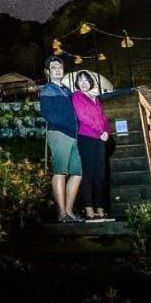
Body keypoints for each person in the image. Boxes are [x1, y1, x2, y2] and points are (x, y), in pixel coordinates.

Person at [38, 55, 83, 223]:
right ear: (48, 72)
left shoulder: (66, 90)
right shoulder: (47, 90)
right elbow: (48, 114)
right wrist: (66, 126)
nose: (58, 69)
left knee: (78, 172)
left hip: (74, 134)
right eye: (54, 67)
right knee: (60, 171)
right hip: (59, 133)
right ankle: (62, 213)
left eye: (60, 67)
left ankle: (69, 211)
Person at [72, 70, 112, 221]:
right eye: (80, 80)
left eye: (86, 80)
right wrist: (100, 130)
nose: (84, 83)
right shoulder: (77, 96)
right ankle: (89, 208)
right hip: (86, 138)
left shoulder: (95, 98)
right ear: (77, 83)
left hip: (100, 139)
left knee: (100, 174)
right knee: (88, 173)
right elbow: (83, 117)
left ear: (91, 82)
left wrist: (107, 131)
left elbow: (103, 118)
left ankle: (100, 208)